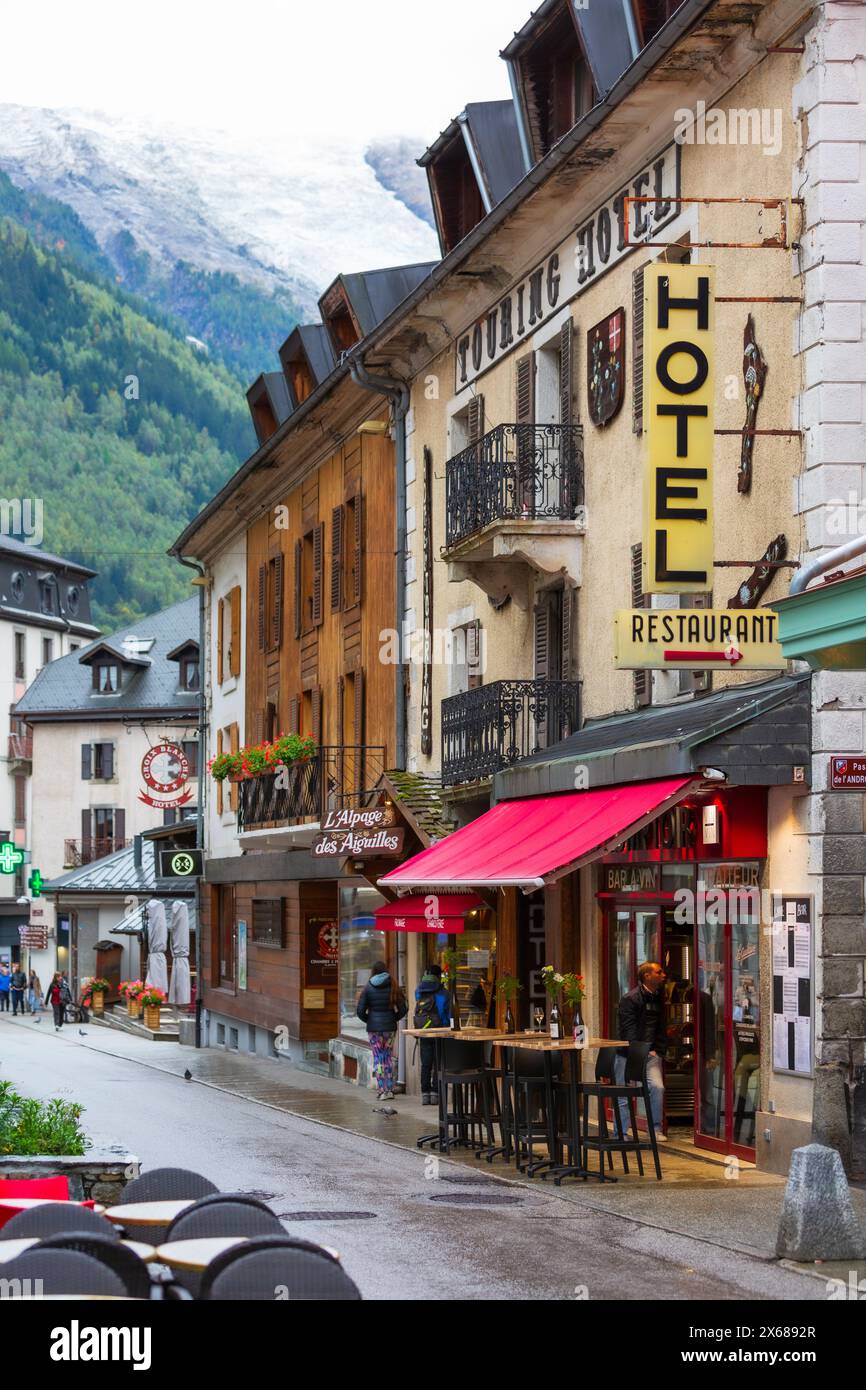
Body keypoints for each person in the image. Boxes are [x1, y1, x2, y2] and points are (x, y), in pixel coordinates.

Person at [616, 961, 667, 1139]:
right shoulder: (630, 999)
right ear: (647, 976)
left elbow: (661, 1027)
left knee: (657, 1087)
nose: (663, 975)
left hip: (651, 1054)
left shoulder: (658, 997)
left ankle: (655, 1129)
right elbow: (628, 1030)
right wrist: (640, 1050)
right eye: (659, 972)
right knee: (623, 1093)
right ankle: (621, 1133)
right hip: (628, 1054)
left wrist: (658, 1050)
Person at [356, 960, 407, 1101]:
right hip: (389, 1028)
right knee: (387, 1057)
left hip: (374, 1030)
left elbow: (360, 1011)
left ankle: (382, 1089)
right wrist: (393, 1018)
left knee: (378, 1058)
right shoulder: (393, 985)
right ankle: (389, 1089)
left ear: (373, 972)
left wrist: (370, 1020)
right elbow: (404, 1008)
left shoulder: (368, 987)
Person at [413, 962, 450, 1105]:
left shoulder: (419, 991)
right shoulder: (444, 993)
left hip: (424, 1030)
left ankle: (425, 1094)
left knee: (426, 1064)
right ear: (439, 976)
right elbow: (447, 1015)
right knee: (438, 1063)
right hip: (440, 1031)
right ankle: (435, 1094)